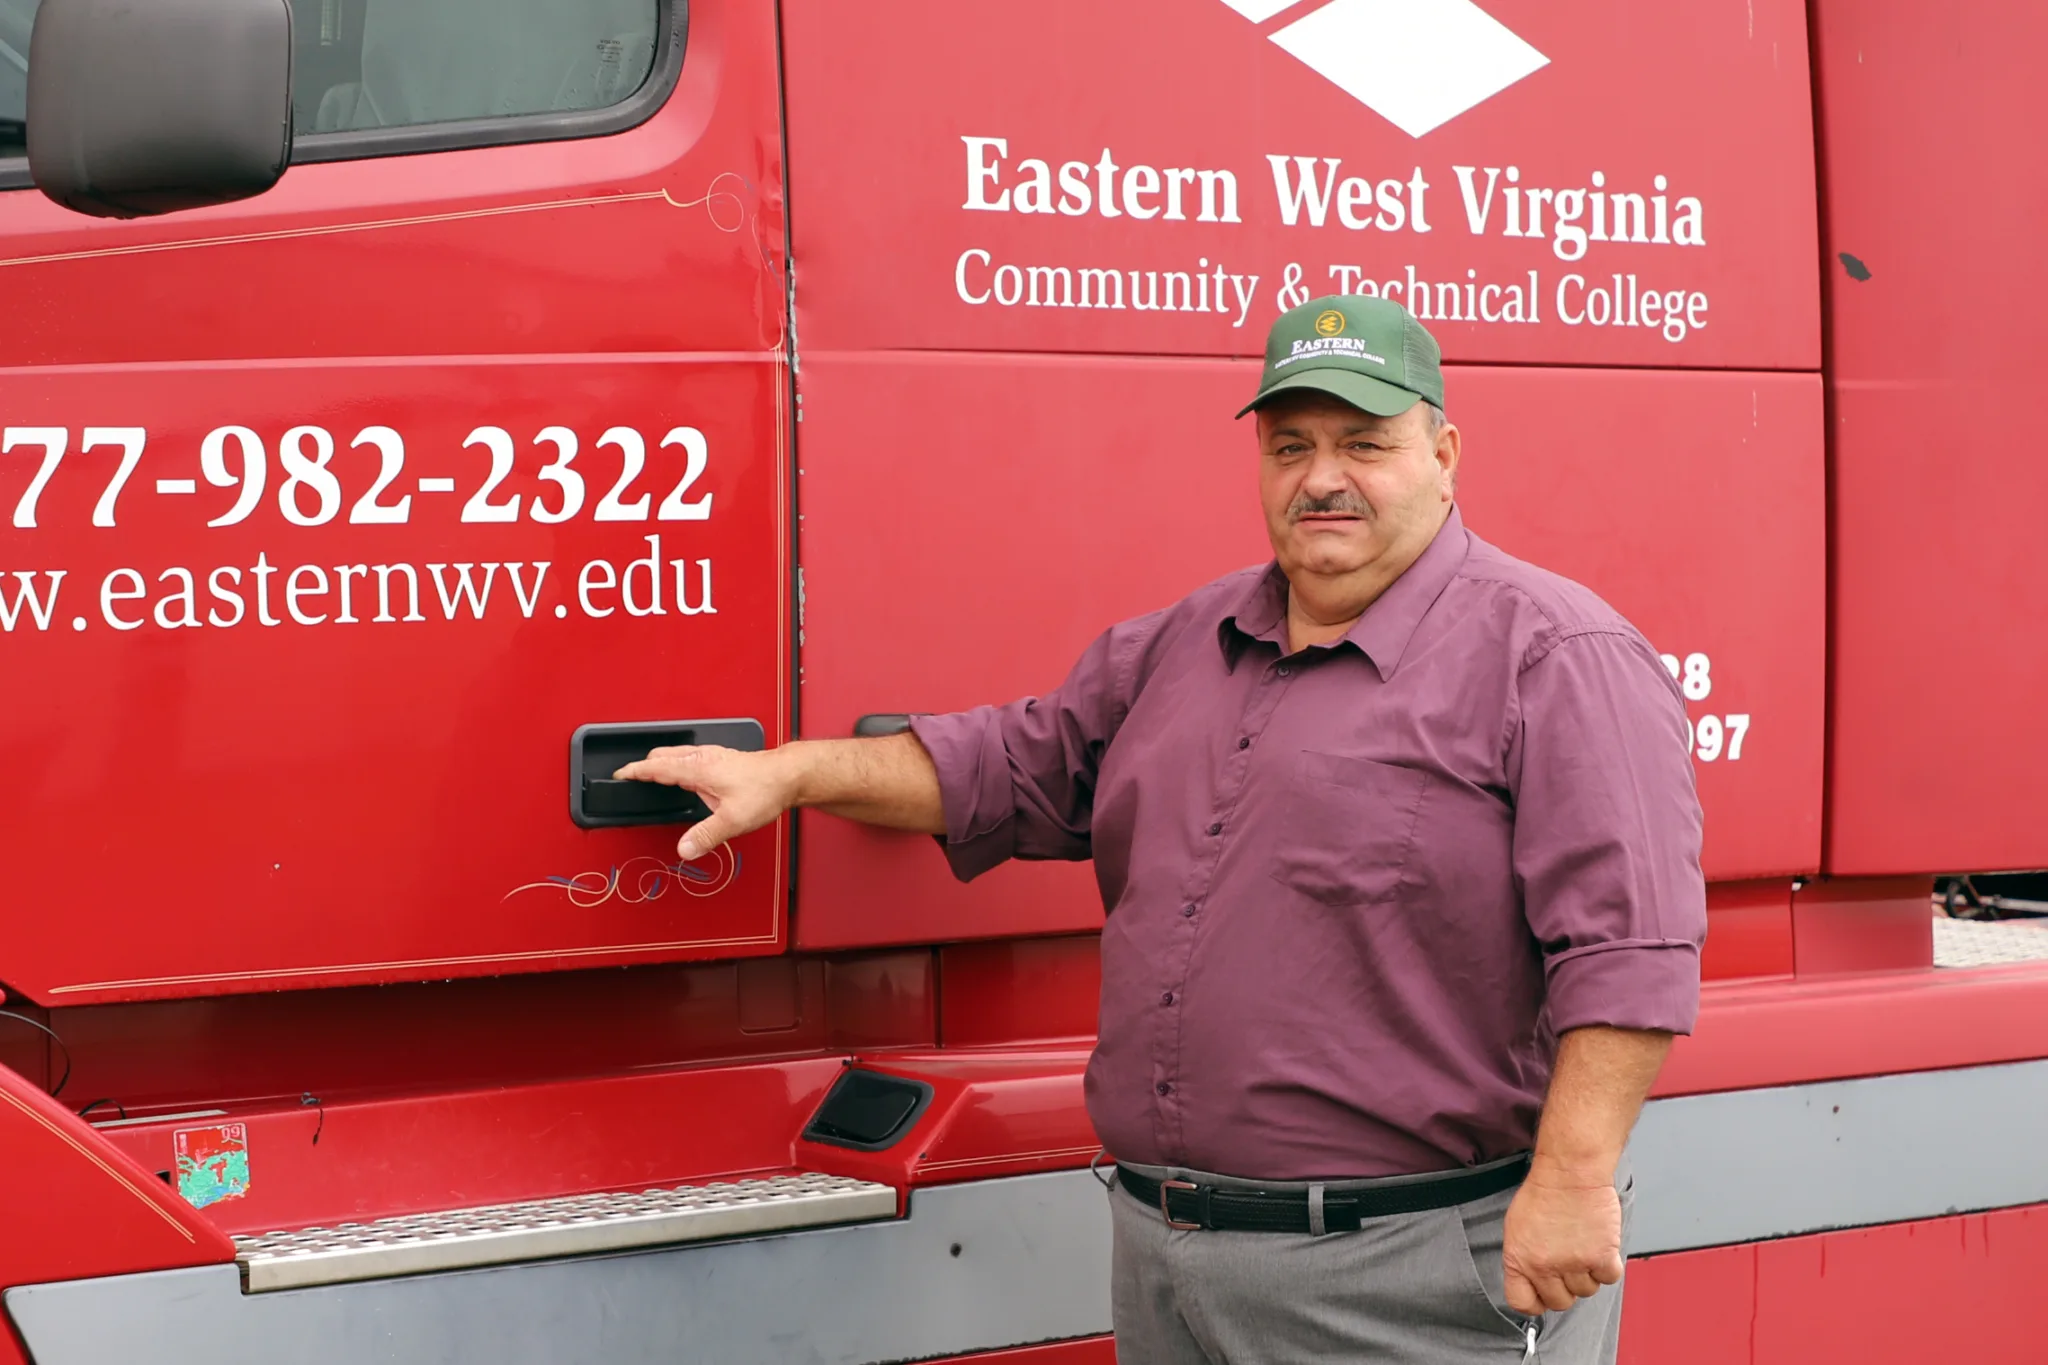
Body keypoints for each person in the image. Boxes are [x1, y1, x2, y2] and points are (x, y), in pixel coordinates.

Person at [617, 294, 1706, 1364]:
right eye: (1289, 446)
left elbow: (1628, 953)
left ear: (1443, 452)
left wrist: (1569, 1182)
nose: (1321, 477)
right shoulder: (1187, 641)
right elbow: (1005, 767)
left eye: (1363, 444)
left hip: (1408, 1280)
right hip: (1164, 1259)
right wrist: (792, 772)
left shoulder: (1555, 655)